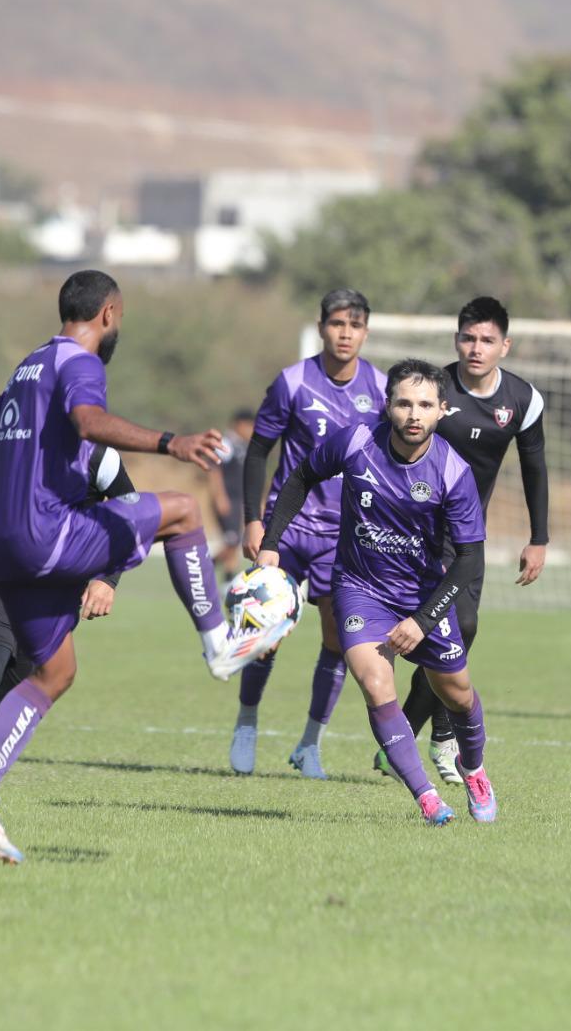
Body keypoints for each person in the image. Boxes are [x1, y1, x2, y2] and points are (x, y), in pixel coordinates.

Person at [0, 270, 269, 865]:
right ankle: (219, 643)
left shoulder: (27, 367)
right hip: (47, 533)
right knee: (184, 510)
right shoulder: (81, 361)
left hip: (4, 551)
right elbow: (90, 423)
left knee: (53, 674)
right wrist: (172, 442)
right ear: (109, 313)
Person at [257, 359, 495, 826]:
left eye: (425, 405)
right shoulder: (357, 439)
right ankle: (426, 797)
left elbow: (469, 559)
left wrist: (422, 621)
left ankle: (474, 769)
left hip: (422, 596)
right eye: (404, 402)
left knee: (459, 695)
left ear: (442, 411)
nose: (413, 414)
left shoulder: (452, 470)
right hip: (358, 587)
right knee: (374, 682)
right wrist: (270, 546)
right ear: (387, 405)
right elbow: (301, 476)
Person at [387, 296, 548, 783]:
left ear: (505, 345)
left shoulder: (523, 400)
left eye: (487, 340)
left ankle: (431, 736)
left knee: (465, 628)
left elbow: (535, 467)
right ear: (456, 340)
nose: (476, 348)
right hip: (409, 531)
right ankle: (424, 738)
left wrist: (539, 537)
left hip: (464, 537)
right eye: (467, 338)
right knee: (406, 635)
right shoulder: (431, 390)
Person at [0, 442, 135, 802]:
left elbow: (132, 519)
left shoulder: (101, 458)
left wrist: (108, 580)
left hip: (57, 596)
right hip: (2, 582)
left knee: (18, 690)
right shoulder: (4, 445)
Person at [237, 290, 387, 778]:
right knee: (266, 632)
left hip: (344, 537)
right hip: (288, 528)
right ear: (321, 326)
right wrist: (253, 520)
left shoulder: (383, 389)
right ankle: (247, 723)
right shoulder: (293, 382)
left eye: (356, 325)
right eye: (338, 323)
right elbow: (259, 451)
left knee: (337, 642)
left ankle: (309, 744)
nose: (346, 333)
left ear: (366, 332)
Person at [210, 409, 256, 581]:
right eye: (250, 426)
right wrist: (220, 497)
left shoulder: (243, 446)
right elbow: (214, 470)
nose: (251, 430)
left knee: (235, 545)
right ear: (240, 425)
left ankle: (227, 583)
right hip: (227, 499)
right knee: (231, 542)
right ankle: (204, 567)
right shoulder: (226, 443)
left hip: (238, 501)